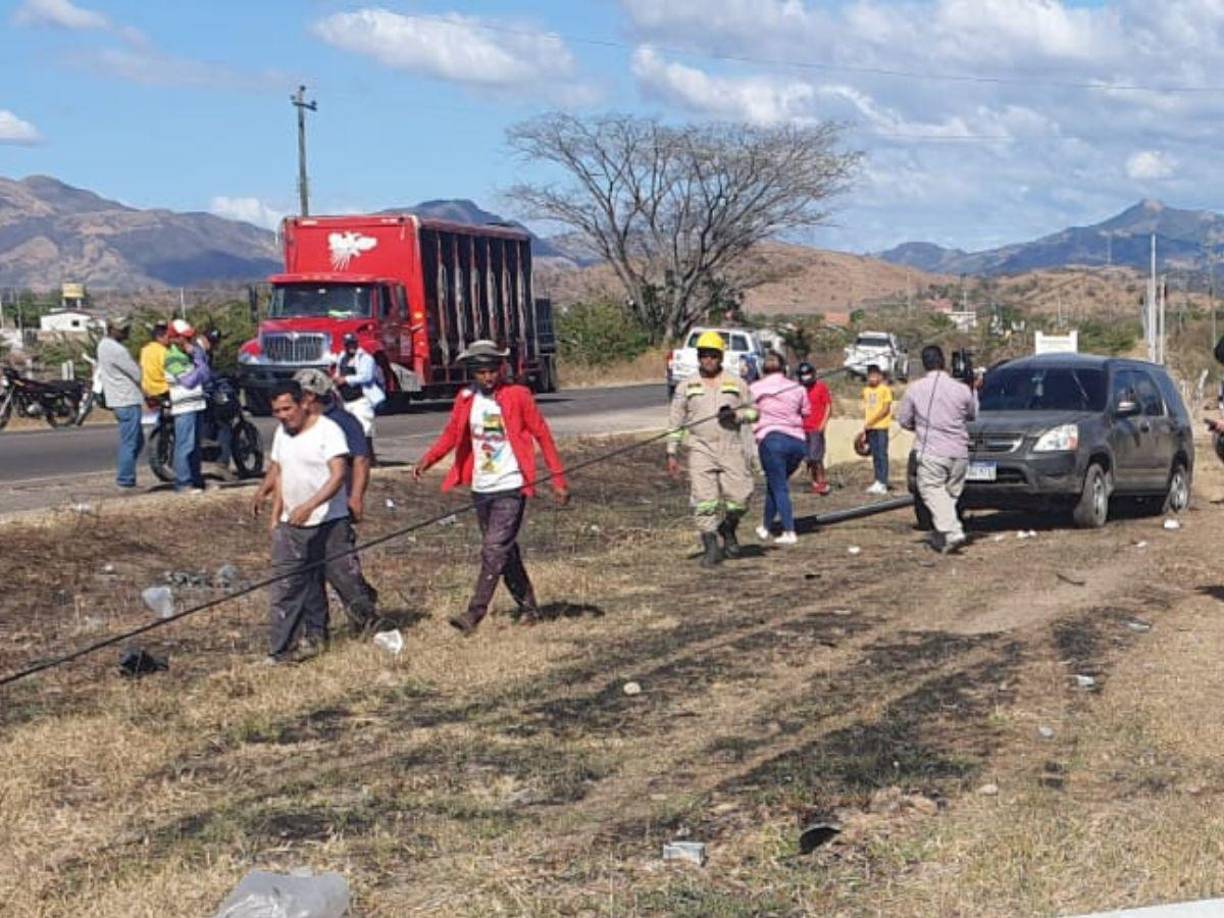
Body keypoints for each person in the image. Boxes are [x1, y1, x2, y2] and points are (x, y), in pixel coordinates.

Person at [413, 339, 568, 634]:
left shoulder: (518, 395)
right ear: (473, 372)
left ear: (501, 369)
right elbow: (451, 434)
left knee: (493, 548)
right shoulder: (465, 399)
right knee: (503, 551)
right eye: (481, 372)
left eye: (492, 370)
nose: (487, 377)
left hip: (511, 483)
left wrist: (558, 480)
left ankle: (474, 613)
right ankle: (529, 606)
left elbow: (543, 437)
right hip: (482, 486)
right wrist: (428, 460)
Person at [252, 368, 380, 634]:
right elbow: (280, 464)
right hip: (298, 519)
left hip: (332, 512)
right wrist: (265, 492)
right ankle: (316, 633)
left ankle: (368, 621)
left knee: (343, 574)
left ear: (310, 398)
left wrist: (355, 496)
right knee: (309, 579)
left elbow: (359, 460)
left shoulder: (340, 423)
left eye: (302, 397)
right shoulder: (288, 428)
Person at [263, 380, 351, 663]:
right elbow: (280, 471)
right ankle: (282, 650)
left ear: (303, 403)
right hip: (292, 525)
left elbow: (338, 475)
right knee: (288, 587)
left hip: (330, 521)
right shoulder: (282, 433)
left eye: (287, 408)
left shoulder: (329, 431)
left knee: (346, 582)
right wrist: (276, 514)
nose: (283, 415)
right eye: (277, 411)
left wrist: (311, 505)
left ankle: (369, 625)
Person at [667, 330, 759, 568]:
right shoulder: (686, 386)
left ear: (721, 357)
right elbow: (675, 421)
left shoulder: (736, 383)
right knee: (704, 500)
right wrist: (672, 451)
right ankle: (710, 546)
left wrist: (736, 415)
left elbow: (754, 412)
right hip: (701, 448)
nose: (708, 360)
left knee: (741, 497)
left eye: (713, 355)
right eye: (704, 355)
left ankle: (727, 528)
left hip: (731, 446)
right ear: (698, 357)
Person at [897, 345, 979, 554]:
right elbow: (972, 414)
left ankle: (952, 531)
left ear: (924, 364)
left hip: (932, 452)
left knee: (931, 490)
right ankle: (941, 538)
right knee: (947, 498)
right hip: (959, 454)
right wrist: (974, 388)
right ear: (943, 362)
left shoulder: (915, 389)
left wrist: (922, 426)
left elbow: (904, 420)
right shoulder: (961, 389)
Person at [750, 351, 809, 545]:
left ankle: (789, 530)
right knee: (775, 484)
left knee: (779, 486)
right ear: (785, 368)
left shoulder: (755, 388)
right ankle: (765, 526)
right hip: (798, 443)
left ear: (762, 369)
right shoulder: (798, 388)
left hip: (772, 441)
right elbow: (806, 411)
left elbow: (750, 413)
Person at [96, 318, 144, 490]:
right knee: (130, 442)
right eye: (123, 329)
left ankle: (127, 475)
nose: (126, 332)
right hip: (127, 399)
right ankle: (125, 480)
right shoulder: (117, 350)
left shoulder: (103, 345)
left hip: (118, 399)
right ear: (112, 329)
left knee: (136, 441)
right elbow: (137, 373)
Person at [164, 319, 210, 493]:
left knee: (196, 447)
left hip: (196, 404)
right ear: (175, 339)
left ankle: (196, 480)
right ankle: (183, 483)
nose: (189, 341)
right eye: (185, 338)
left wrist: (198, 359)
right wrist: (200, 365)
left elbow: (206, 376)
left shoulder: (190, 355)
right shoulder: (172, 358)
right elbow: (189, 381)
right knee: (185, 445)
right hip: (184, 407)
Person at [334, 333, 385, 463]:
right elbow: (338, 373)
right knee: (346, 428)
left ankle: (369, 458)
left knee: (364, 427)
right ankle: (352, 457)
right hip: (345, 399)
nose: (351, 347)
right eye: (348, 344)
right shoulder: (342, 358)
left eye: (353, 343)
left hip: (362, 398)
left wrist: (345, 379)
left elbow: (366, 376)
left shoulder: (366, 358)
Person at [798, 361, 832, 496]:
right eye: (803, 375)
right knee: (808, 459)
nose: (806, 377)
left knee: (816, 457)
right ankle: (814, 482)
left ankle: (822, 482)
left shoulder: (821, 387)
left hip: (816, 428)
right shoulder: (800, 390)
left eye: (808, 374)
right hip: (803, 428)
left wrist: (823, 424)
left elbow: (828, 406)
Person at [862, 363, 894, 495]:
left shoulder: (885, 390)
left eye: (875, 375)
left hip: (881, 427)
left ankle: (883, 482)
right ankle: (877, 480)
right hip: (870, 427)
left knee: (882, 454)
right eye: (870, 376)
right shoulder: (866, 391)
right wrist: (866, 426)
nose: (872, 378)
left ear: (880, 376)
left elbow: (885, 409)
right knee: (874, 454)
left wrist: (873, 421)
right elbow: (867, 409)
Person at [139, 322, 169, 404]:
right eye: (167, 336)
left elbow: (142, 369)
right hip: (164, 391)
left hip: (149, 392)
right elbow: (167, 370)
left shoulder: (144, 350)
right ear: (159, 337)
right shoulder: (163, 351)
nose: (169, 338)